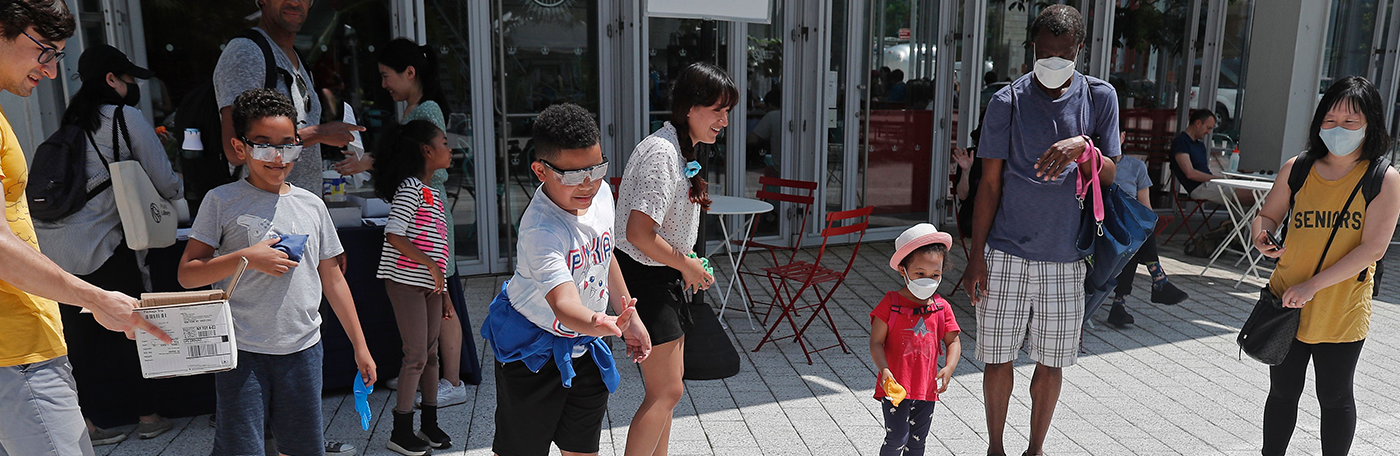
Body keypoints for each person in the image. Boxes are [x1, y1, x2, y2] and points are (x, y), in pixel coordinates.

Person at [0, 2, 171, 455]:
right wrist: (97, 298)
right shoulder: (121, 118)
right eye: (45, 52)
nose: (53, 72)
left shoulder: (49, 119)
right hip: (16, 346)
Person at [178, 88, 377, 456]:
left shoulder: (312, 205)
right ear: (240, 148)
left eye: (287, 144)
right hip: (241, 351)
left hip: (303, 350)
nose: (277, 156)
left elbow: (332, 279)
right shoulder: (221, 201)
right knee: (242, 447)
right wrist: (247, 258)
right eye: (264, 144)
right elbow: (188, 273)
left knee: (302, 447)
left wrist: (360, 347)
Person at [960, 6, 1119, 456]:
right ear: (1032, 49)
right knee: (997, 356)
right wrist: (975, 257)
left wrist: (1083, 148)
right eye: (1043, 52)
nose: (1052, 60)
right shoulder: (1006, 101)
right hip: (1006, 253)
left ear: (1079, 50)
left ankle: (1035, 449)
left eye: (1062, 53)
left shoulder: (1100, 97)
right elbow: (988, 184)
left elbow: (1110, 175)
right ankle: (995, 447)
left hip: (1066, 258)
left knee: (1051, 361)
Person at [34, 44, 183, 446]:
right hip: (104, 244)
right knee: (129, 329)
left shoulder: (68, 124)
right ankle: (149, 416)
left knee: (75, 342)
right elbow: (166, 181)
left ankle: (86, 424)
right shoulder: (123, 116)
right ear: (112, 80)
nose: (134, 86)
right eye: (129, 78)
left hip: (53, 250)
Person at [481, 103, 650, 456]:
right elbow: (563, 305)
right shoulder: (541, 229)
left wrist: (627, 314)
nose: (588, 184)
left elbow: (604, 257)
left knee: (583, 449)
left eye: (597, 168)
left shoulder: (601, 194)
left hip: (585, 344)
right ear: (540, 170)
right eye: (573, 175)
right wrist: (601, 321)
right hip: (532, 350)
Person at [1250, 76, 1400, 456]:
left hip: (1341, 308)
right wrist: (1262, 235)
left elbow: (1373, 249)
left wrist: (1312, 287)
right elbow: (1268, 215)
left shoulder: (1383, 178)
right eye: (1330, 120)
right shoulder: (1298, 167)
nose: (1338, 129)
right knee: (1282, 393)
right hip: (1286, 299)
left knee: (1334, 396)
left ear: (1371, 124)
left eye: (1350, 122)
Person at [617, 62, 731, 456]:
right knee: (666, 391)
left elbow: (657, 230)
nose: (724, 120)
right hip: (644, 279)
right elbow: (637, 233)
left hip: (658, 278)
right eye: (717, 110)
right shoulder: (663, 153)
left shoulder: (675, 148)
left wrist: (686, 264)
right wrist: (686, 264)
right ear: (689, 108)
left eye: (727, 111)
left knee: (668, 389)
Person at [365, 37, 471, 409]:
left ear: (410, 73)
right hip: (423, 226)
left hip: (429, 225)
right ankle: (427, 375)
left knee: (443, 297)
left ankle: (451, 380)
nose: (383, 84)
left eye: (386, 75)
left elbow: (426, 175)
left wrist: (372, 164)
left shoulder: (425, 111)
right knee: (436, 300)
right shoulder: (416, 110)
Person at [213, 0, 365, 194]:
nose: (294, 2)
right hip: (261, 214)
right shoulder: (246, 52)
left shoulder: (296, 58)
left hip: (300, 212)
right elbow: (235, 151)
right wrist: (318, 134)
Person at [371, 119, 453, 455]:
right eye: (444, 143)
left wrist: (444, 290)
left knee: (431, 354)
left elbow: (438, 248)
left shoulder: (431, 192)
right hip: (405, 282)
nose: (450, 149)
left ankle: (429, 424)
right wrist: (430, 265)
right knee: (416, 355)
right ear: (426, 150)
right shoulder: (410, 188)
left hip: (430, 286)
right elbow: (393, 232)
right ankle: (400, 429)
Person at [869, 223, 962, 456]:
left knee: (918, 442)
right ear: (903, 270)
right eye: (920, 273)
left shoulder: (942, 307)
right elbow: (876, 342)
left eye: (935, 274)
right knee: (897, 437)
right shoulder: (890, 303)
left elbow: (953, 341)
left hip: (926, 389)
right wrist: (885, 370)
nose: (928, 279)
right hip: (895, 387)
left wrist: (949, 367)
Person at [1104, 132, 1190, 327]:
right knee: (1135, 232)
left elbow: (1146, 208)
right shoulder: (1096, 165)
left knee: (1139, 229)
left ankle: (1121, 304)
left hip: (1128, 230)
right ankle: (1157, 280)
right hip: (1103, 227)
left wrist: (1143, 226)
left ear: (1123, 137)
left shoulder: (1136, 167)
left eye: (1114, 134)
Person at [1170, 109, 1253, 205]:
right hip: (1199, 188)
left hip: (1208, 184)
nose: (1208, 132)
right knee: (1258, 195)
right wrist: (1217, 178)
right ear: (1198, 123)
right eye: (1208, 128)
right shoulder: (1181, 142)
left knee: (1260, 194)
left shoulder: (1200, 145)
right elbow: (1190, 173)